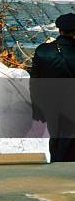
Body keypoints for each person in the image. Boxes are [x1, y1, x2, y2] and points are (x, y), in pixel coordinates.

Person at [30, 13, 75, 162]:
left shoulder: (43, 51)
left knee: (56, 139)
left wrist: (37, 108)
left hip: (51, 106)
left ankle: (56, 169)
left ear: (60, 30)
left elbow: (35, 83)